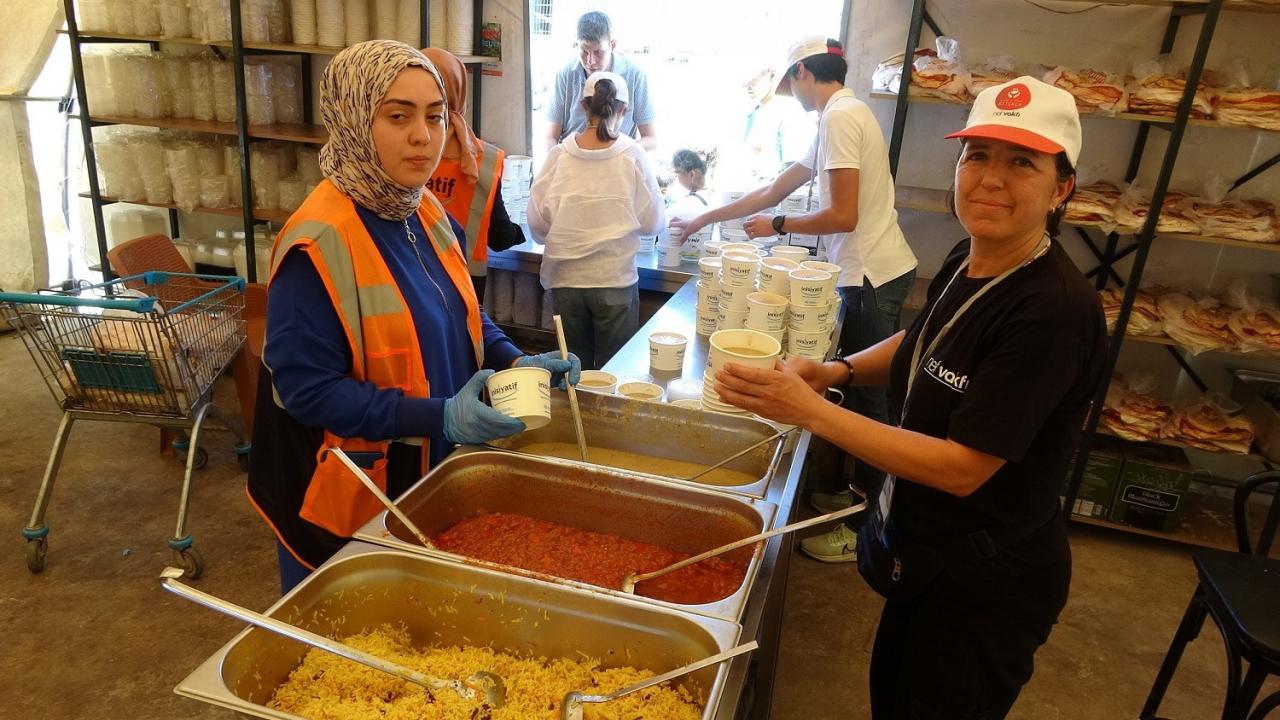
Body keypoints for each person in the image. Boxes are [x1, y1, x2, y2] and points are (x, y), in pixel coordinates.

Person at [714, 76, 1107, 719]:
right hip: (930, 560)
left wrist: (810, 412)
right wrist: (834, 373)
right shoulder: (969, 255)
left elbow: (961, 468)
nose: (991, 180)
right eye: (976, 155)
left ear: (1062, 188)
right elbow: (921, 341)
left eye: (1022, 163)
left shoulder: (1051, 311)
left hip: (986, 583)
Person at [246, 41, 580, 593]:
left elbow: (461, 313)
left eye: (435, 116)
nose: (423, 136)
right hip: (349, 503)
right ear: (353, 120)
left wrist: (516, 360)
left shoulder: (421, 206)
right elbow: (308, 393)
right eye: (398, 116)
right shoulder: (319, 243)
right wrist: (441, 416)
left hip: (426, 477)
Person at [673, 37, 918, 550]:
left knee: (874, 406)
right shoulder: (839, 117)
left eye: (791, 84)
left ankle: (868, 528)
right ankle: (858, 497)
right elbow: (774, 189)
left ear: (804, 72)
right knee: (860, 397)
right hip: (866, 271)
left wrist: (779, 225)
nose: (792, 95)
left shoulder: (839, 118)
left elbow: (842, 215)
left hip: (872, 274)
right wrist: (705, 216)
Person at [527, 71, 664, 370]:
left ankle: (577, 418)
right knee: (613, 377)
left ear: (582, 106)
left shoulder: (558, 156)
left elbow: (537, 226)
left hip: (566, 284)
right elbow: (653, 223)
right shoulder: (633, 155)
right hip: (614, 281)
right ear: (623, 110)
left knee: (573, 374)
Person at [421, 47, 525, 299]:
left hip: (408, 278)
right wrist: (519, 233)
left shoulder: (396, 149)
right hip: (463, 282)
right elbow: (499, 237)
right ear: (460, 91)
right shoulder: (486, 159)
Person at [544, 11, 657, 151]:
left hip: (618, 161)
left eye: (598, 52)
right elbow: (551, 137)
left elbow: (651, 139)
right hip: (574, 157)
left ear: (613, 45)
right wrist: (560, 160)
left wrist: (616, 155)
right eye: (584, 51)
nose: (590, 61)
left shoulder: (634, 75)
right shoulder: (566, 74)